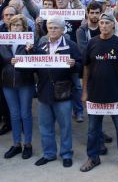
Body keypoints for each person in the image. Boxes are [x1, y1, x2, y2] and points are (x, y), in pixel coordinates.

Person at [80, 13, 118, 174]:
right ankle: (93, 157)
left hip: (116, 95)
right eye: (101, 23)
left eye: (107, 23)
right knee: (93, 130)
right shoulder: (91, 43)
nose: (103, 25)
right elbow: (86, 68)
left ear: (113, 25)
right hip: (95, 95)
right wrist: (84, 91)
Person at [28, 17, 82, 168]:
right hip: (44, 92)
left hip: (63, 92)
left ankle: (66, 154)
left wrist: (74, 65)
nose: (52, 30)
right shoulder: (41, 46)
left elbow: (81, 66)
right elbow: (33, 66)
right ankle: (49, 154)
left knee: (65, 126)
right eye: (50, 27)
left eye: (55, 28)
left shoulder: (71, 45)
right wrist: (25, 57)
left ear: (63, 30)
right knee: (45, 126)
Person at [0, 15, 35, 160]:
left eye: (19, 25)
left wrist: (29, 50)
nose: (16, 28)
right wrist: (9, 59)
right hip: (8, 82)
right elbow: (3, 56)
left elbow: (33, 58)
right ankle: (16, 144)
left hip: (25, 81)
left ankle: (28, 144)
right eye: (13, 25)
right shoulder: (4, 41)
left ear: (24, 27)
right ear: (9, 27)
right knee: (14, 114)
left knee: (25, 113)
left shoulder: (28, 40)